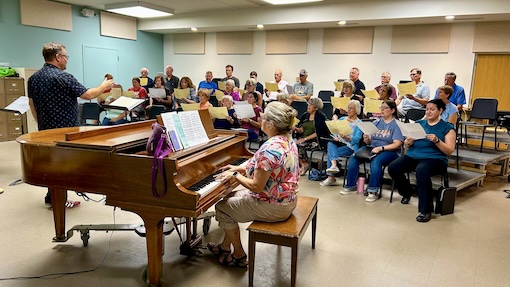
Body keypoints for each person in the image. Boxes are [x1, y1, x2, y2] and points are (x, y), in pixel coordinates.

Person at [207, 101, 300, 267]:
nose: (260, 119)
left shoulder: (270, 148)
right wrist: (239, 167)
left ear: (271, 124)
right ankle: (224, 247)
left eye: (263, 117)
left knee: (222, 208)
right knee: (228, 198)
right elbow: (258, 162)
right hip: (287, 199)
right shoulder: (286, 140)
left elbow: (256, 186)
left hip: (274, 206)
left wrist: (235, 174)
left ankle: (238, 254)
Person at [28, 42, 114, 208]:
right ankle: (58, 199)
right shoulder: (63, 77)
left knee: (52, 163)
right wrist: (104, 86)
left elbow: (32, 104)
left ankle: (51, 195)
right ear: (58, 57)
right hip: (66, 130)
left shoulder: (34, 78)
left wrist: (40, 124)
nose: (67, 60)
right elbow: (88, 95)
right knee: (64, 165)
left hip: (46, 129)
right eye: (65, 56)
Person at [388, 99, 456, 222]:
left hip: (435, 158)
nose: (428, 112)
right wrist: (408, 142)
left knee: (422, 170)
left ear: (440, 111)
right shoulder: (419, 123)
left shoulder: (447, 127)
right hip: (414, 156)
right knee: (393, 167)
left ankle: (426, 210)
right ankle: (407, 191)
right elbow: (406, 146)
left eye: (432, 109)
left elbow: (449, 151)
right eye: (427, 109)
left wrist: (437, 141)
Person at [341, 100, 404, 202]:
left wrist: (381, 148)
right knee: (354, 157)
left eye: (385, 108)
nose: (382, 110)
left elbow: (397, 144)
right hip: (373, 148)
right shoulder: (376, 122)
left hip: (390, 151)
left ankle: (373, 190)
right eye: (381, 107)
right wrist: (367, 139)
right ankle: (351, 185)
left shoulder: (397, 125)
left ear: (392, 110)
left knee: (376, 161)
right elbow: (369, 142)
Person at [320, 100, 363, 186]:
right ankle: (334, 165)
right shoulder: (342, 119)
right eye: (348, 108)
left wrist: (347, 137)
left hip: (350, 146)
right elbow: (336, 131)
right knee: (330, 144)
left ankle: (331, 177)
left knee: (331, 153)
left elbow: (357, 139)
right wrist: (336, 136)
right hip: (339, 143)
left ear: (357, 110)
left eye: (351, 108)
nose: (349, 110)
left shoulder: (359, 123)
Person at [294, 98, 330, 175]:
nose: (308, 106)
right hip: (304, 139)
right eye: (308, 104)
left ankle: (305, 165)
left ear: (316, 107)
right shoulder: (305, 115)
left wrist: (305, 139)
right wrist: (296, 129)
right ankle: (303, 164)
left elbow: (318, 133)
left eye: (311, 105)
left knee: (300, 145)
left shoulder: (321, 117)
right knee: (292, 144)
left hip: (316, 140)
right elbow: (301, 130)